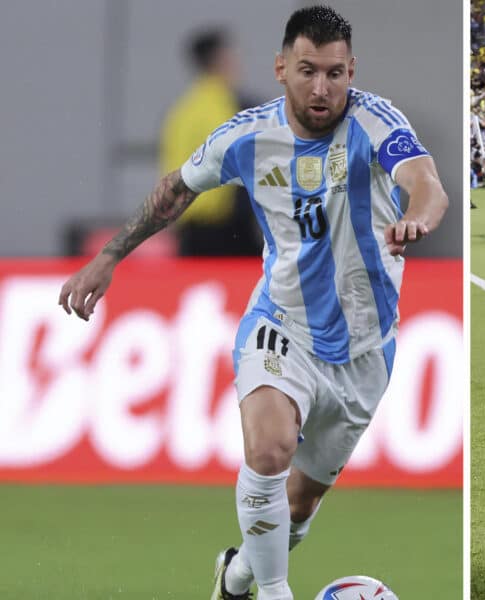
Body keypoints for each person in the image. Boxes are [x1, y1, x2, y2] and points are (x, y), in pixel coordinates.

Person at [58, 6, 448, 600]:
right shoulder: (245, 137)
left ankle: (236, 577)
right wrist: (111, 256)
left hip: (366, 351)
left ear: (352, 70)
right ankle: (272, 593)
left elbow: (427, 183)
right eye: (307, 70)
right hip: (281, 325)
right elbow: (174, 193)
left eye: (335, 73)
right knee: (268, 450)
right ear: (280, 68)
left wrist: (418, 218)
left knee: (297, 507)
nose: (322, 88)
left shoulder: (375, 123)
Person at [160, 27, 262, 256]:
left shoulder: (181, 111)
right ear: (222, 59)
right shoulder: (237, 106)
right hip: (229, 230)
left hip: (189, 230)